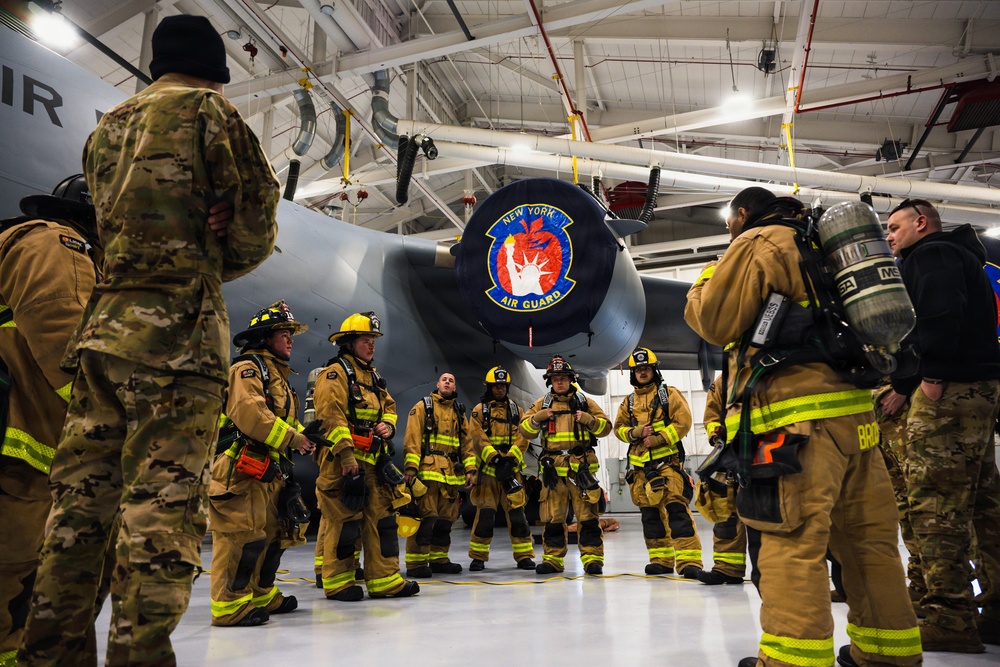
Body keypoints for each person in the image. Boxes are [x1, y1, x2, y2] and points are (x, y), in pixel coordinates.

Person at [19, 14, 279, 666]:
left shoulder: (106, 128)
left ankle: (47, 655)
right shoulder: (212, 117)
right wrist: (218, 232)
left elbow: (113, 232)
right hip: (179, 341)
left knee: (78, 514)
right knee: (157, 521)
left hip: (103, 338)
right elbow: (255, 229)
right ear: (217, 74)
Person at [684, 187, 920, 667]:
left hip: (795, 426)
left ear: (742, 214)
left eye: (732, 221)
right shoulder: (823, 245)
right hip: (858, 419)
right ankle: (889, 655)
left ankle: (792, 660)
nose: (730, 229)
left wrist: (708, 274)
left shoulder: (759, 242)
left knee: (793, 542)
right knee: (869, 544)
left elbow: (712, 319)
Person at [880, 198, 1000, 652]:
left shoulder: (932, 255)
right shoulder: (961, 255)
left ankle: (949, 618)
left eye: (895, 227)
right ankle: (994, 611)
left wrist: (928, 376)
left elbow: (938, 318)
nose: (890, 236)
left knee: (935, 504)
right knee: (983, 504)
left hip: (950, 389)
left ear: (921, 223)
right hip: (976, 388)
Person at [0, 177, 100, 667]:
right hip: (13, 462)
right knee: (10, 585)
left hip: (25, 460)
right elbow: (71, 350)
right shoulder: (60, 244)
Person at [208, 302, 314, 626]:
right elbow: (253, 416)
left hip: (269, 472)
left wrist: (308, 438)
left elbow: (279, 423)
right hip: (240, 469)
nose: (291, 339)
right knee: (241, 535)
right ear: (266, 337)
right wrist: (296, 439)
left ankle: (261, 593)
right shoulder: (247, 369)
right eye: (285, 333)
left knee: (271, 535)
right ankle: (229, 606)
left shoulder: (278, 378)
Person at [312, 312, 419, 600]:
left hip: (373, 461)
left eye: (373, 340)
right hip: (342, 463)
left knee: (381, 521)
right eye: (365, 340)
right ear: (348, 343)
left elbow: (390, 406)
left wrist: (389, 424)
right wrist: (347, 459)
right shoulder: (334, 374)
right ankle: (338, 583)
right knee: (345, 523)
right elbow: (330, 417)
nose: (371, 345)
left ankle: (385, 581)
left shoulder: (373, 376)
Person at [612, 348, 703, 579]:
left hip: (667, 464)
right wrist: (635, 432)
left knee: (677, 511)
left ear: (654, 370)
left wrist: (659, 438)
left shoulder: (668, 394)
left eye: (646, 368)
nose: (642, 373)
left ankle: (689, 561)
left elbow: (683, 422)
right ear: (633, 374)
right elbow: (618, 429)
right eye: (638, 370)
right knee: (650, 517)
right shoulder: (628, 402)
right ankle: (661, 560)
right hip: (640, 471)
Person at [520, 356, 611, 575]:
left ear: (571, 380)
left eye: (563, 378)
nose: (559, 382)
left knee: (588, 517)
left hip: (581, 471)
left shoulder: (585, 402)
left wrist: (590, 420)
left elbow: (606, 428)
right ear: (550, 382)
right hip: (553, 472)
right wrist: (536, 419)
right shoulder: (542, 404)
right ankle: (552, 560)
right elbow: (524, 430)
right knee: (553, 517)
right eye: (555, 378)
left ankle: (592, 559)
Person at [403, 372, 476, 577]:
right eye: (444, 379)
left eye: (451, 380)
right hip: (428, 472)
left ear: (454, 388)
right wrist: (411, 468)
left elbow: (467, 444)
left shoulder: (459, 413)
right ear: (437, 384)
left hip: (451, 476)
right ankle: (416, 564)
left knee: (446, 520)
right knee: (426, 517)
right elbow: (412, 438)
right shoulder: (423, 407)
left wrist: (470, 469)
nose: (447, 382)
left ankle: (439, 560)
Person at [467, 366, 535, 571]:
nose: (500, 389)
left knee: (517, 515)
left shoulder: (516, 410)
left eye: (503, 386)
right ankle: (478, 557)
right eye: (496, 386)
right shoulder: (479, 411)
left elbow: (524, 436)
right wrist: (495, 459)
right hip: (488, 473)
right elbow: (477, 438)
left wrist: (512, 459)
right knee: (485, 515)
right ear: (489, 387)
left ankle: (524, 556)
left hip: (511, 472)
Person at [695, 375, 745, 586]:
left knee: (770, 515)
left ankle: (775, 573)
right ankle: (727, 569)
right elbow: (711, 416)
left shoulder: (771, 366)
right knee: (726, 512)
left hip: (768, 452)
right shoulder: (723, 381)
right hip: (730, 455)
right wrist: (716, 434)